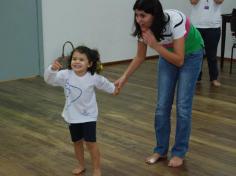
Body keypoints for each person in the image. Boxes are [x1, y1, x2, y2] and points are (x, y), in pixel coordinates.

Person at [115, 0, 204, 167]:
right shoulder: (143, 29)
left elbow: (179, 60)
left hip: (191, 55)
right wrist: (124, 78)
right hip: (168, 55)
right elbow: (140, 56)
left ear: (155, 15)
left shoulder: (174, 20)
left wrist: (155, 45)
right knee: (162, 106)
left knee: (183, 106)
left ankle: (179, 152)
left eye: (143, 15)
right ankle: (161, 150)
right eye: (136, 14)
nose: (139, 19)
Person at [44, 46, 116, 176]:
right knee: (76, 142)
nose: (77, 61)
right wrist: (52, 70)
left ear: (89, 64)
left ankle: (96, 168)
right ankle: (81, 165)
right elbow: (49, 80)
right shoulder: (65, 75)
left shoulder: (92, 77)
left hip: (89, 116)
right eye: (74, 59)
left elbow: (105, 84)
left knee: (91, 143)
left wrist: (114, 89)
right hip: (73, 116)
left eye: (81, 59)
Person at [190, 0, 224, 86]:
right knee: (196, 54)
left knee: (212, 55)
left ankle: (214, 78)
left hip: (213, 26)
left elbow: (219, 1)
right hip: (197, 26)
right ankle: (196, 77)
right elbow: (193, 1)